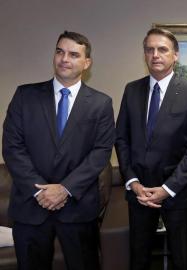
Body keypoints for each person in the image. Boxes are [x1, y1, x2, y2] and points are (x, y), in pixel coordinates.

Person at [2, 31, 115, 270]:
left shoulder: (101, 103)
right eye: (60, 51)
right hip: (30, 207)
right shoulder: (25, 96)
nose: (65, 59)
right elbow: (12, 147)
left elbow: (100, 152)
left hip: (78, 209)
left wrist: (65, 189)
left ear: (86, 63)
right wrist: (39, 192)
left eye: (74, 54)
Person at [115, 28, 187, 270]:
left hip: (176, 191)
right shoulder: (131, 90)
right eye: (149, 49)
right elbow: (121, 139)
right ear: (144, 54)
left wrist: (168, 188)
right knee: (139, 256)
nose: (155, 54)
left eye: (162, 49)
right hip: (139, 192)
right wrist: (132, 181)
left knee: (181, 257)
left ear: (175, 55)